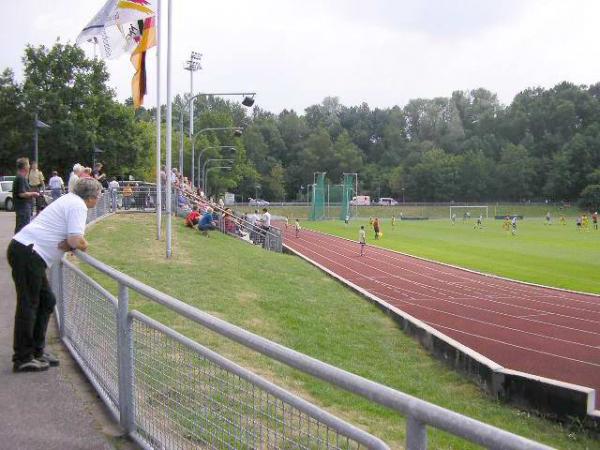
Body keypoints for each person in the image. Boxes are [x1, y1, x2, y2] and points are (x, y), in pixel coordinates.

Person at [8, 177, 101, 372]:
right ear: (91, 197)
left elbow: (68, 241)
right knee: (29, 304)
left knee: (47, 301)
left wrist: (68, 243)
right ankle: (23, 357)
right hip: (29, 253)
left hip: (28, 252)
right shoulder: (78, 205)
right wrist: (83, 244)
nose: (99, 200)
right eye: (98, 196)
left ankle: (36, 350)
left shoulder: (70, 199)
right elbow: (76, 240)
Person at [12, 157, 40, 233]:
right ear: (24, 167)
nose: (29, 166)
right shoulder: (21, 178)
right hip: (23, 209)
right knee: (22, 229)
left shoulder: (20, 177)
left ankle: (18, 243)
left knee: (22, 228)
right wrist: (34, 193)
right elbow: (21, 194)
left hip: (23, 208)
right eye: (28, 164)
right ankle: (18, 244)